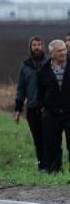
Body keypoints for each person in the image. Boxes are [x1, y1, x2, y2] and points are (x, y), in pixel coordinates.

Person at [37, 39, 70, 173]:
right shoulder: (44, 70)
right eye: (60, 51)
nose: (63, 52)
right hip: (52, 113)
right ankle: (55, 170)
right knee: (52, 143)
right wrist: (43, 108)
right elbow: (40, 91)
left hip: (69, 111)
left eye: (64, 49)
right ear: (52, 53)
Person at [15, 36, 46, 170]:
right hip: (32, 108)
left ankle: (53, 166)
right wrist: (18, 109)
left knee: (50, 139)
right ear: (30, 47)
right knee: (37, 140)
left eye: (39, 44)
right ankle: (42, 166)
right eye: (34, 45)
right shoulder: (25, 66)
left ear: (42, 46)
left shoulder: (49, 63)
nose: (37, 47)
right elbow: (21, 88)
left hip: (48, 108)